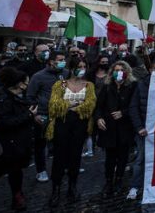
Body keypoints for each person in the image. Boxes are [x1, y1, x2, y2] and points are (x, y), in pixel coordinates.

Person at [0, 67, 36, 212]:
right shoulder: (1, 98)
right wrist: (29, 115)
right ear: (17, 83)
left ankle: (17, 197)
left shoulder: (21, 96)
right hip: (3, 144)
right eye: (25, 82)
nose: (26, 85)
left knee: (16, 172)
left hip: (20, 143)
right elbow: (4, 122)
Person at [46, 58, 96, 206]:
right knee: (59, 157)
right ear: (72, 68)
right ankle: (56, 188)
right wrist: (73, 104)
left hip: (80, 125)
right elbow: (54, 104)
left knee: (75, 156)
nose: (81, 69)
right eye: (79, 66)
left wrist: (73, 107)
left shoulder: (89, 85)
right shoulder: (60, 84)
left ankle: (72, 187)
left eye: (84, 66)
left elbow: (90, 104)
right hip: (62, 124)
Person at [95, 60, 136, 195]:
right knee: (110, 157)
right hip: (109, 127)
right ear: (112, 73)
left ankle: (119, 179)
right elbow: (99, 106)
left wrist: (123, 113)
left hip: (125, 128)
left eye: (122, 70)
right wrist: (99, 118)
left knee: (123, 156)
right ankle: (108, 181)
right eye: (116, 70)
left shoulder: (132, 86)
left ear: (127, 72)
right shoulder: (107, 87)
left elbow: (135, 106)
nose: (119, 73)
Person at [27, 50, 68, 183]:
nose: (63, 62)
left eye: (64, 60)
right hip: (43, 115)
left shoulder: (66, 74)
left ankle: (61, 167)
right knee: (41, 144)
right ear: (51, 61)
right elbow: (30, 96)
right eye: (60, 60)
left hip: (61, 114)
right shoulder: (38, 76)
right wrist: (35, 114)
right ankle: (41, 170)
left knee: (61, 142)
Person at [128, 56, 155, 200]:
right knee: (141, 159)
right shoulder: (141, 85)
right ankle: (135, 186)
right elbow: (133, 107)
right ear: (150, 70)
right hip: (145, 129)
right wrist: (139, 127)